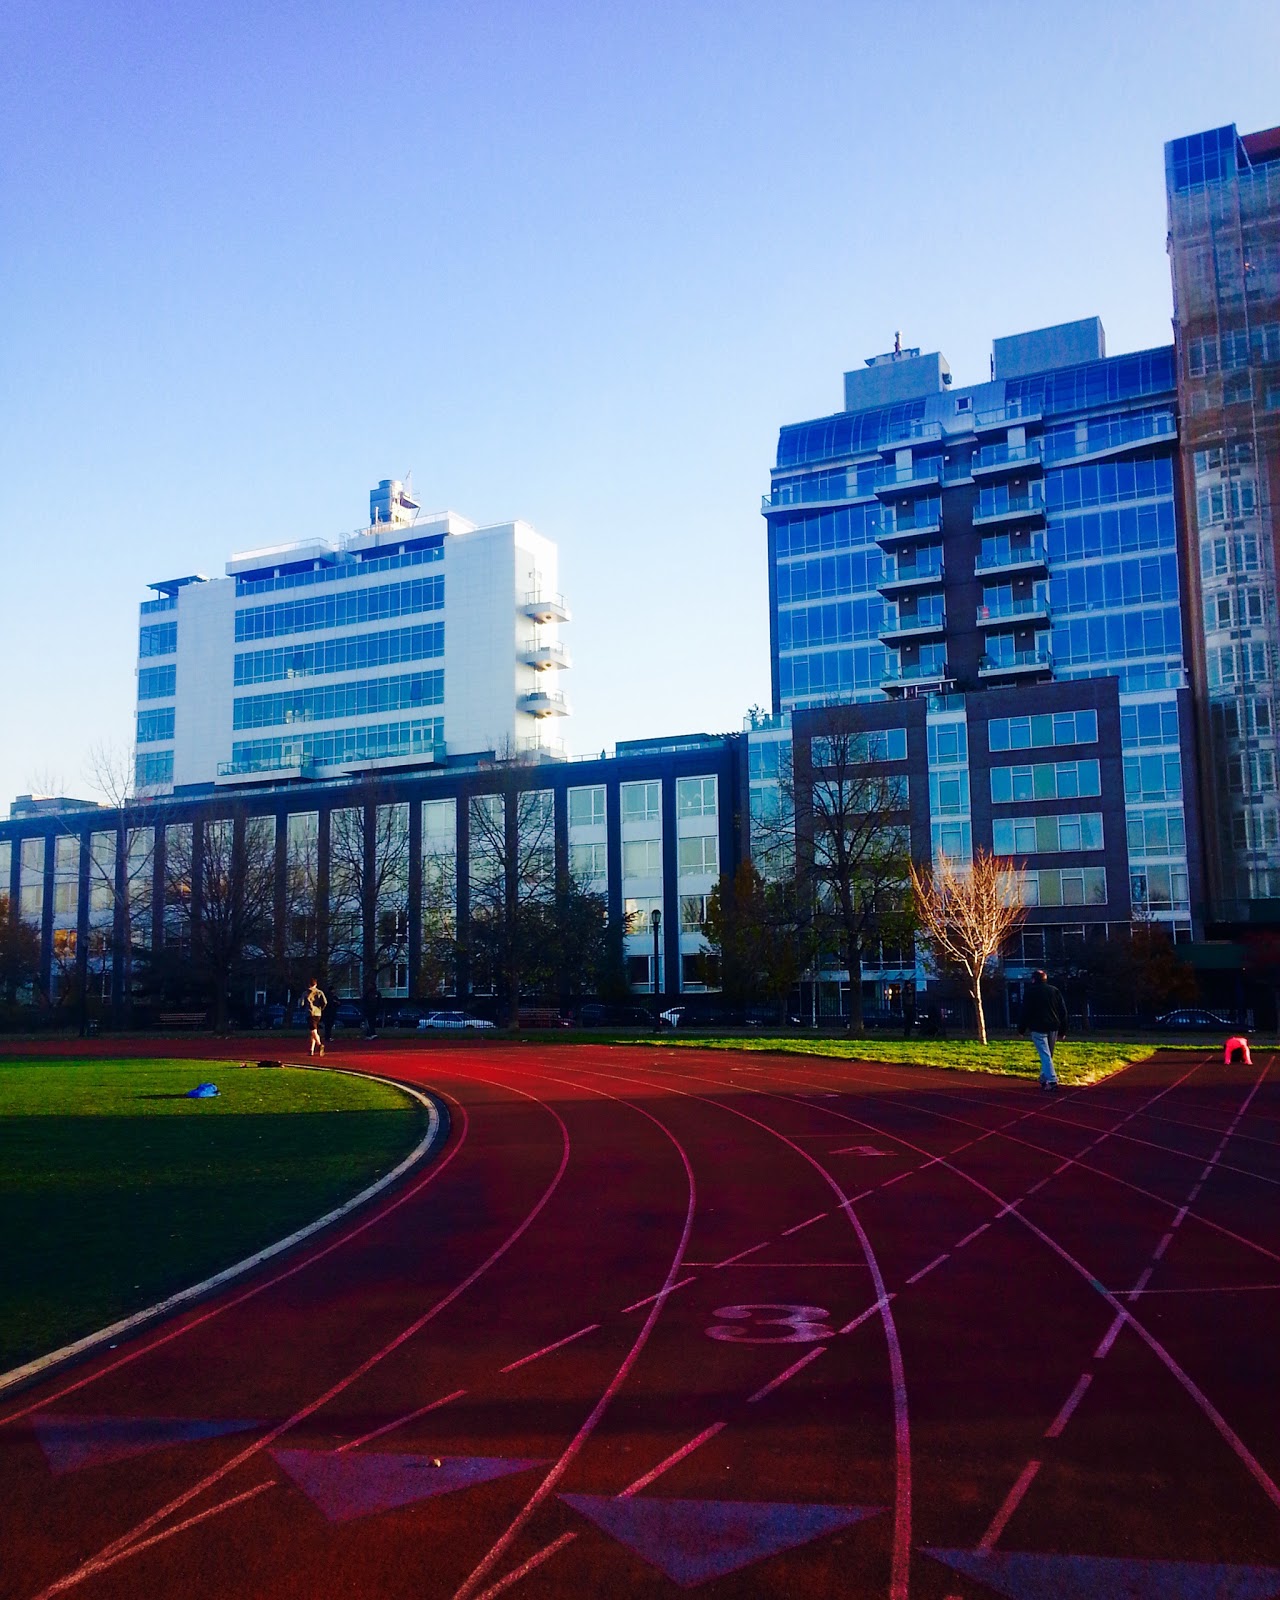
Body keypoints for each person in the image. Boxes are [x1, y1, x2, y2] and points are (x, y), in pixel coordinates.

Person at [1019, 969, 1068, 1090]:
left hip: (1037, 1027)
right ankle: (1044, 1078)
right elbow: (1063, 1011)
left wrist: (1021, 1029)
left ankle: (1052, 1080)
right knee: (1048, 1055)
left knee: (1045, 1054)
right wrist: (1063, 1030)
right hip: (1053, 1027)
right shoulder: (1054, 991)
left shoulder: (1030, 992)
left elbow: (1025, 1011)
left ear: (1033, 979)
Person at [305, 978, 327, 1058]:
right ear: (316, 984)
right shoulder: (320, 992)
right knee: (314, 1031)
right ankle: (311, 1050)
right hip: (318, 1013)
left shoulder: (306, 993)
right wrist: (321, 1008)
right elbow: (325, 1002)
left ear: (309, 984)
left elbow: (301, 1003)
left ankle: (319, 1044)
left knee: (313, 1031)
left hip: (310, 1013)